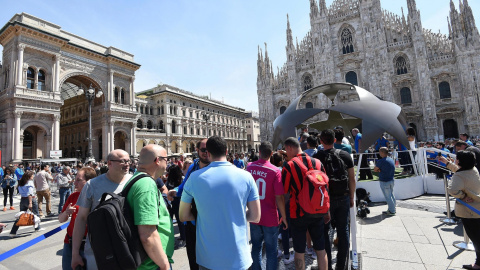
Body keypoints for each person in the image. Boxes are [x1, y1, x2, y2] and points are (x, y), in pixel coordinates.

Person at [179, 136, 260, 270]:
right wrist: (236, 214)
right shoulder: (246, 176)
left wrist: (201, 216)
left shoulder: (194, 177)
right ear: (227, 151)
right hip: (239, 257)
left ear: (208, 153)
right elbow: (255, 216)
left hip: (208, 259)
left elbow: (183, 216)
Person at [71, 150, 132, 270]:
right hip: (99, 250)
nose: (127, 164)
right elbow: (81, 218)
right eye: (123, 161)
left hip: (128, 247)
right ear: (109, 163)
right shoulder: (92, 185)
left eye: (128, 161)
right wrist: (75, 253)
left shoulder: (134, 182)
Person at [125, 144, 175, 269]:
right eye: (166, 159)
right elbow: (147, 234)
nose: (167, 163)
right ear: (158, 160)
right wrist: (164, 265)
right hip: (152, 265)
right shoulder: (146, 185)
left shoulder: (137, 179)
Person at [282, 137, 328, 270]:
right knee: (321, 249)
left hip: (298, 213)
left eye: (286, 149)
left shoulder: (289, 166)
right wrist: (327, 211)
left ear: (289, 147)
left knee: (299, 251)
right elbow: (325, 188)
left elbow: (284, 193)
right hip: (318, 211)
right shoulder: (318, 163)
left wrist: (283, 216)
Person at [314, 129, 355, 270]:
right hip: (343, 196)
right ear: (335, 139)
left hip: (325, 200)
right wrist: (351, 197)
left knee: (325, 232)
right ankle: (341, 265)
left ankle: (327, 266)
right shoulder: (345, 155)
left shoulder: (317, 157)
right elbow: (352, 178)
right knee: (343, 231)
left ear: (321, 141)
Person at [168, 138, 209, 270]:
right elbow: (185, 186)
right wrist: (175, 191)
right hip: (191, 221)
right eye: (203, 150)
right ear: (197, 151)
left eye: (209, 150)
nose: (206, 153)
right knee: (193, 258)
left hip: (207, 221)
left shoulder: (215, 167)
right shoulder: (193, 166)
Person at [247, 142, 288, 270]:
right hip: (270, 217)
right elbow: (279, 197)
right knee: (271, 251)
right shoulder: (275, 171)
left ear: (259, 152)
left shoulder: (249, 168)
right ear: (271, 154)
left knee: (256, 248)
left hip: (254, 215)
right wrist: (284, 217)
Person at [445, 151, 480, 270]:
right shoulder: (473, 170)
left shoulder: (459, 176)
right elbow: (461, 173)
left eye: (456, 159)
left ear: (460, 161)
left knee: (476, 238)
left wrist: (463, 196)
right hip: (477, 208)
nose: (455, 160)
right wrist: (448, 163)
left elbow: (452, 190)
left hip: (469, 211)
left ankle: (479, 264)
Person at [58, 167, 96, 270]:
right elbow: (61, 219)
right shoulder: (73, 196)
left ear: (89, 181)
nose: (75, 183)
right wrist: (66, 212)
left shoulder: (97, 197)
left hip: (89, 245)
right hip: (70, 243)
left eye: (78, 180)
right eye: (75, 180)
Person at [10, 171, 41, 237]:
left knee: (21, 215)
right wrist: (30, 203)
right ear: (29, 176)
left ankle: (13, 232)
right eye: (32, 175)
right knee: (36, 214)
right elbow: (29, 193)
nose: (33, 176)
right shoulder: (29, 182)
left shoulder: (21, 182)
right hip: (30, 199)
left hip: (23, 199)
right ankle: (37, 228)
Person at [165, 164, 186, 248]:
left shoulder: (169, 181)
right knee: (180, 221)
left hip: (172, 202)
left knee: (173, 221)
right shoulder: (181, 179)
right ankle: (183, 238)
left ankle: (179, 238)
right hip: (179, 202)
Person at [374, 147, 396, 215]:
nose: (379, 153)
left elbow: (375, 169)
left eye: (380, 152)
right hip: (391, 180)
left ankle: (392, 211)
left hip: (384, 181)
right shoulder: (391, 159)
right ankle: (391, 209)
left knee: (388, 197)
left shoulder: (381, 161)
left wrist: (379, 170)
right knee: (391, 195)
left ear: (382, 152)